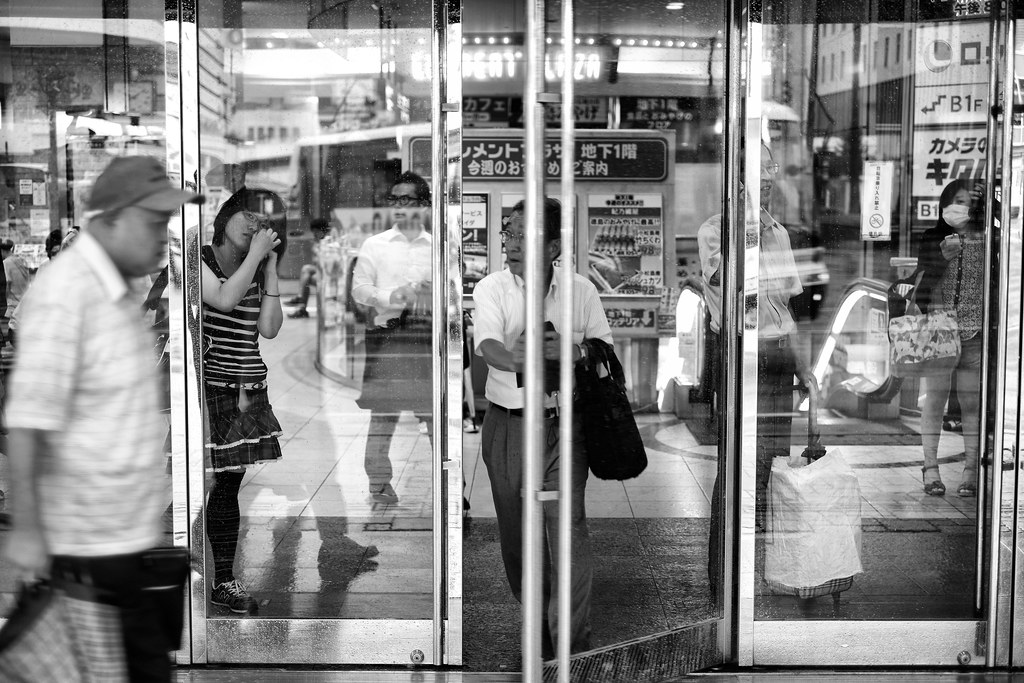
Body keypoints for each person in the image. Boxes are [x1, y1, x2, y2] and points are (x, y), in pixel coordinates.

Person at [1, 155, 202, 680]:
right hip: (85, 556)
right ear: (109, 219)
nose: (164, 237)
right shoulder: (68, 294)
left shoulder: (116, 288)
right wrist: (26, 531)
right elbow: (28, 421)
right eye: (154, 222)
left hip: (126, 545)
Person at [473, 197, 613, 658]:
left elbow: (605, 352)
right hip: (508, 425)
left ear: (553, 245)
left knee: (569, 528)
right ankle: (537, 617)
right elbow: (488, 343)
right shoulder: (492, 288)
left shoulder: (580, 290)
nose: (511, 244)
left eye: (522, 235)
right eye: (507, 234)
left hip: (564, 427)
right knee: (516, 535)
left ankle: (572, 639)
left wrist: (569, 352)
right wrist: (516, 356)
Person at [701, 142, 812, 590]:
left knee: (769, 461)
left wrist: (804, 367)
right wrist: (747, 228)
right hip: (739, 354)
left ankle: (754, 569)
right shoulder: (715, 232)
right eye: (758, 169)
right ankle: (722, 575)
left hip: (778, 356)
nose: (767, 176)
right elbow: (731, 291)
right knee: (735, 462)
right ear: (736, 178)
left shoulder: (780, 233)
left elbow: (786, 306)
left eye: (770, 167)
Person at [201, 188, 285, 613]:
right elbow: (223, 298)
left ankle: (222, 579)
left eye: (262, 221)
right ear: (225, 216)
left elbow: (268, 330)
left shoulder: (255, 268)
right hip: (211, 389)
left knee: (226, 486)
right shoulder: (197, 260)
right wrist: (256, 256)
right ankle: (211, 572)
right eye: (247, 216)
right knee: (208, 486)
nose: (254, 226)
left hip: (247, 392)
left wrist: (269, 268)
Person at [351, 171, 434, 504]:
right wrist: (390, 297)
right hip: (388, 338)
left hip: (428, 338)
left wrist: (430, 295)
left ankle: (449, 484)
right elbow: (360, 290)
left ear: (424, 204)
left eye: (407, 200)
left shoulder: (440, 244)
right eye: (395, 200)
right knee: (383, 414)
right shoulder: (376, 244)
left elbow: (454, 289)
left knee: (433, 414)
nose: (399, 207)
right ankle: (379, 483)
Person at [915, 179, 984, 497]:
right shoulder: (933, 236)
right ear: (945, 203)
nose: (963, 207)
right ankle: (930, 469)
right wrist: (942, 256)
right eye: (957, 200)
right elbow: (921, 279)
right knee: (936, 401)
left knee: (972, 403)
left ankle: (971, 471)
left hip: (975, 330)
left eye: (970, 201)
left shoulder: (988, 237)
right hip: (939, 330)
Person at [285, 218, 332, 318]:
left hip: (330, 276)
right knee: (306, 275)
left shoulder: (329, 242)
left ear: (321, 231)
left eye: (316, 232)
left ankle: (301, 303)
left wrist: (318, 248)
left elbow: (324, 263)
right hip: (321, 273)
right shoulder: (319, 242)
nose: (314, 235)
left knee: (306, 270)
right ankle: (301, 305)